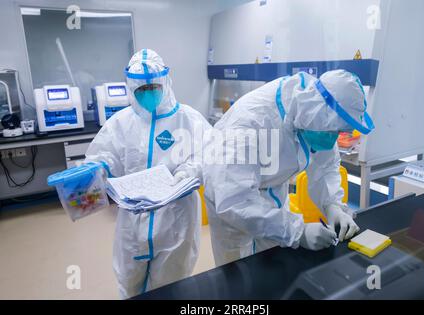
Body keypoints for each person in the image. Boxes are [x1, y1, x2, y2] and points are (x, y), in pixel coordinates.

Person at [203, 69, 374, 266]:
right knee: (237, 270)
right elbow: (236, 202)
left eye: (339, 132)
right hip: (231, 202)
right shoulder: (248, 123)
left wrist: (332, 205)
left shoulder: (312, 114)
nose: (334, 138)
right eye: (334, 131)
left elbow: (325, 166)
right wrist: (298, 231)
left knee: (274, 264)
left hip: (273, 193)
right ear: (320, 114)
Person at [84, 49, 211, 298]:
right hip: (132, 222)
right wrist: (97, 170)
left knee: (171, 285)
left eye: (153, 87)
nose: (148, 94)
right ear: (131, 89)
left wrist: (188, 173)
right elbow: (104, 155)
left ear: (165, 81)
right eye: (141, 90)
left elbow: (209, 154)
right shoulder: (120, 123)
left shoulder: (188, 119)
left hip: (176, 220)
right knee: (129, 284)